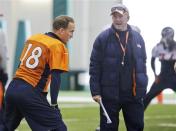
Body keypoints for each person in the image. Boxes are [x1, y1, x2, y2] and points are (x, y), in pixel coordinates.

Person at [2, 15, 75, 131]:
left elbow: (20, 64)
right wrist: (54, 103)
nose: (71, 35)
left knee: (5, 127)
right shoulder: (57, 45)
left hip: (13, 87)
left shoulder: (33, 38)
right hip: (30, 91)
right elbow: (55, 77)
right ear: (61, 30)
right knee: (58, 128)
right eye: (71, 31)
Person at [89, 3, 148, 131]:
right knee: (108, 128)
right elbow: (94, 66)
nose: (117, 19)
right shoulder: (102, 38)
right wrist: (95, 91)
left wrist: (142, 88)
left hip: (133, 94)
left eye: (120, 16)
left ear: (127, 17)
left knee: (137, 127)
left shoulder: (138, 38)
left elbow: (142, 64)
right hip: (109, 94)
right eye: (115, 16)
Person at [143, 27, 176, 110]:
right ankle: (137, 116)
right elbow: (152, 61)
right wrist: (155, 75)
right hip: (162, 77)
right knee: (148, 97)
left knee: (148, 97)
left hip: (173, 76)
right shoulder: (158, 47)